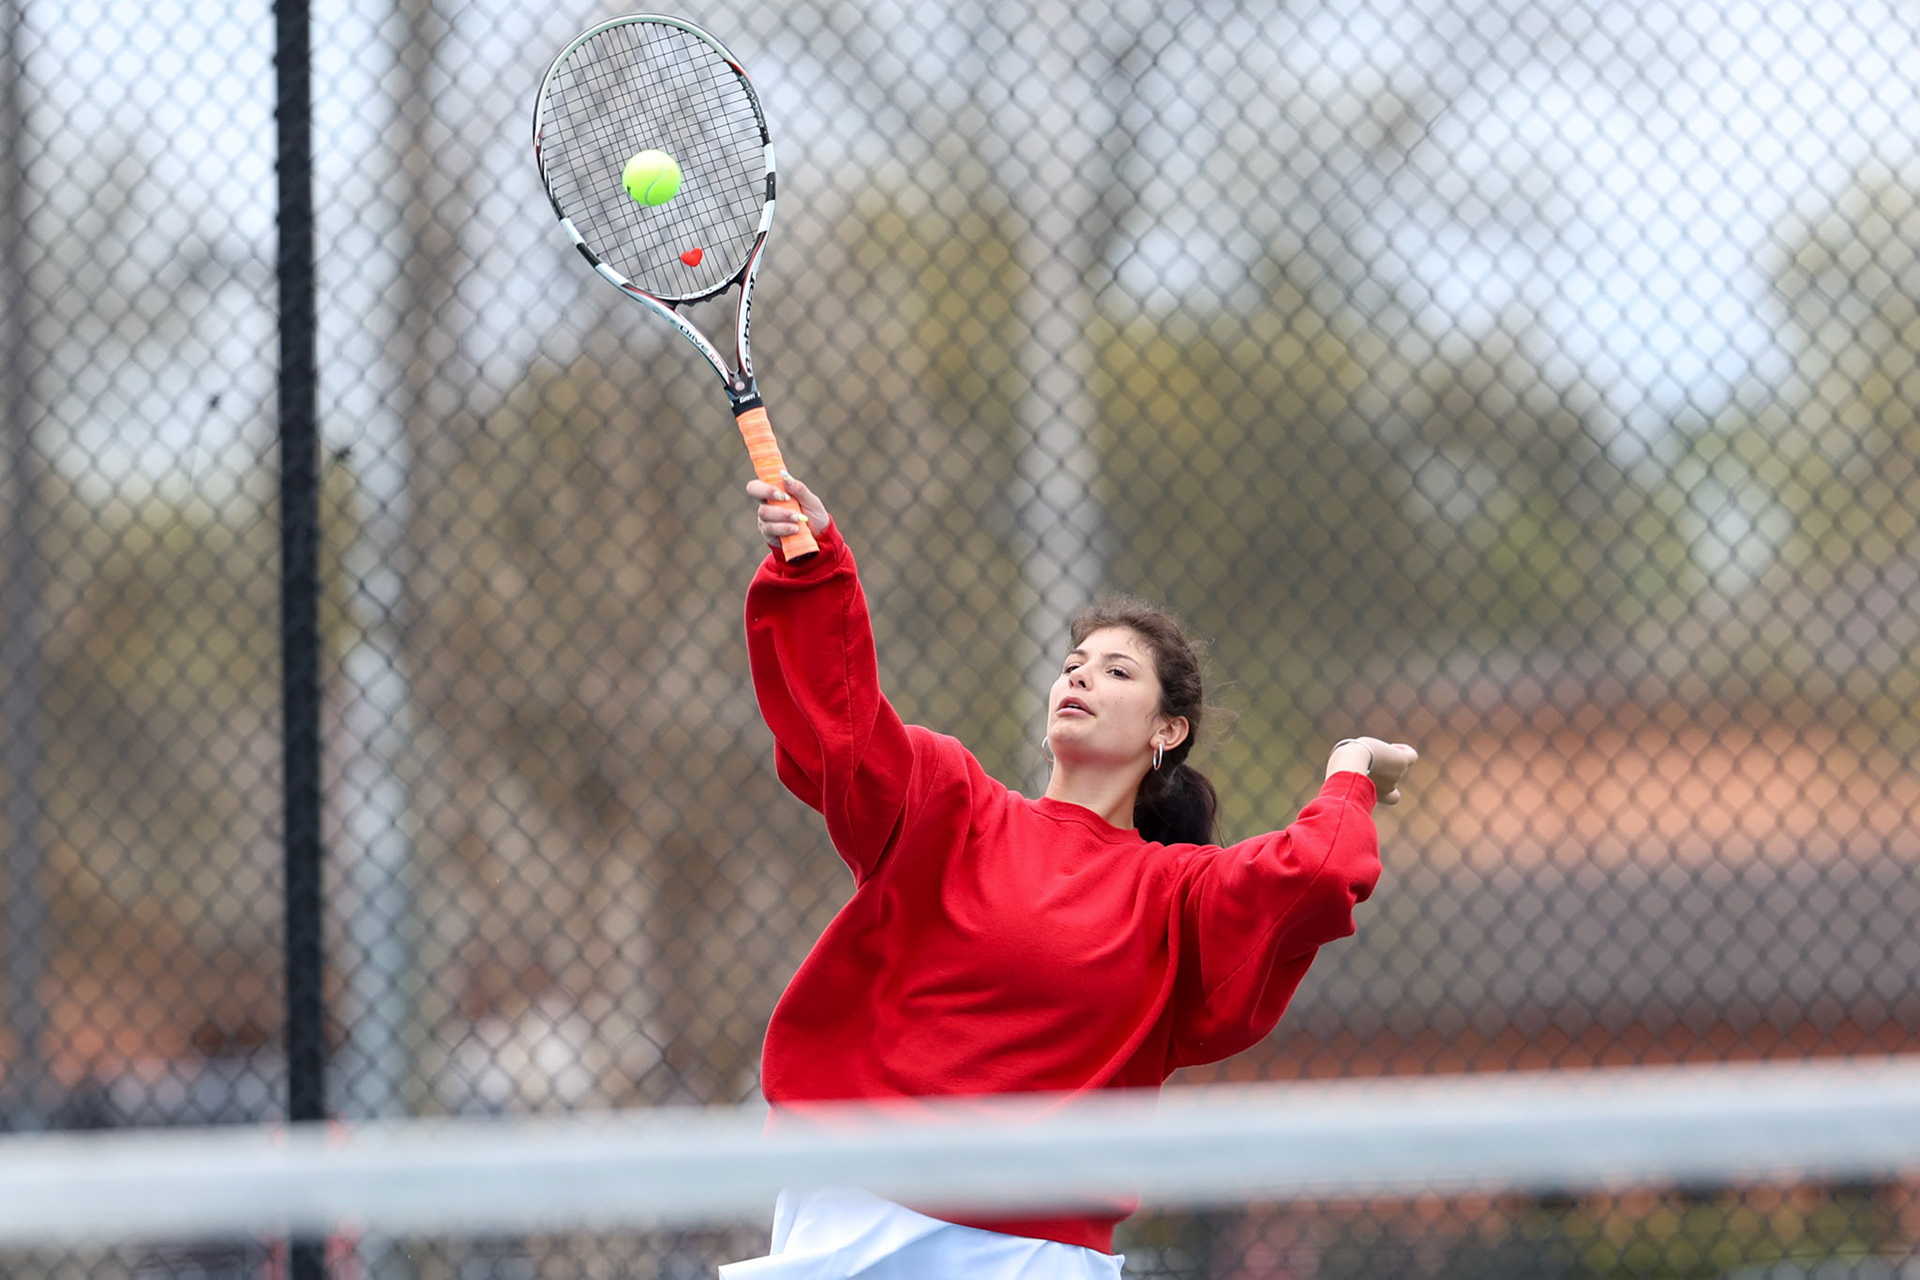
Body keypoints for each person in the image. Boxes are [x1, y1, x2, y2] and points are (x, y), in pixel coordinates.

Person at [720, 474, 1417, 1280]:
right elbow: (842, 725)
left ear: (1169, 729)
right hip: (857, 1206)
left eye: (1117, 672)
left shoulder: (1177, 893)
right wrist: (816, 564)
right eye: (1073, 664)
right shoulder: (953, 803)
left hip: (1037, 1254)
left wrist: (1350, 766)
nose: (1080, 677)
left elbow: (1319, 869)